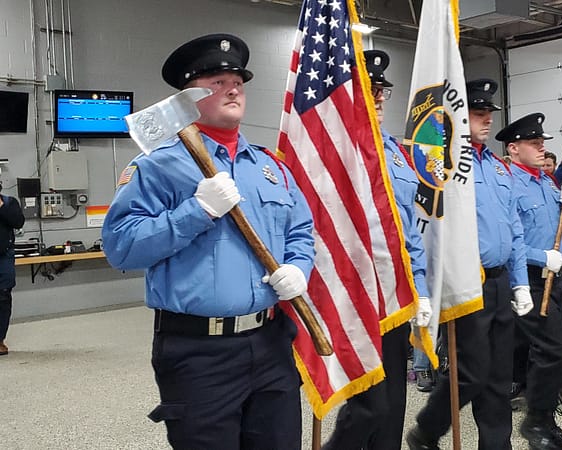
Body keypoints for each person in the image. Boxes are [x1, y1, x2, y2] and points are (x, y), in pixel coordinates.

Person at [101, 33, 316, 449]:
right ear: (187, 96)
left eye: (237, 79)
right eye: (215, 81)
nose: (233, 87)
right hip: (199, 351)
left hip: (270, 342)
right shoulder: (157, 166)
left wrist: (298, 268)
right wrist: (195, 212)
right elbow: (121, 247)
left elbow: (301, 232)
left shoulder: (271, 168)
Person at [407, 78, 532, 450]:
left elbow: (514, 229)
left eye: (488, 113)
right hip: (465, 281)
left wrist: (521, 281)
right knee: (471, 373)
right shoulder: (444, 166)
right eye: (478, 114)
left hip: (498, 282)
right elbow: (427, 222)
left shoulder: (497, 167)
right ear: (461, 118)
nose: (487, 120)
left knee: (498, 377)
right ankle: (427, 430)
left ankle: (497, 446)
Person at [324, 49, 432, 450]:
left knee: (392, 405)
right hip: (353, 295)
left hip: (394, 294)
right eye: (372, 90)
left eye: (383, 90)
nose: (381, 97)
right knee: (368, 403)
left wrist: (418, 284)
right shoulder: (333, 153)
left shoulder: (397, 154)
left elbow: (409, 231)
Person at [500, 113, 562, 450]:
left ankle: (545, 423)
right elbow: (509, 239)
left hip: (554, 278)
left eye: (542, 143)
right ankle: (535, 422)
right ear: (513, 148)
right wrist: (540, 257)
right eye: (535, 143)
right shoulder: (508, 183)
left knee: (547, 354)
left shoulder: (545, 181)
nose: (541, 147)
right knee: (557, 352)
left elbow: (558, 228)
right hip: (528, 278)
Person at [0, 185, 25, 356]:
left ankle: (0, 340)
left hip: (4, 257)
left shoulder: (9, 203)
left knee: (3, 297)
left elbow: (18, 222)